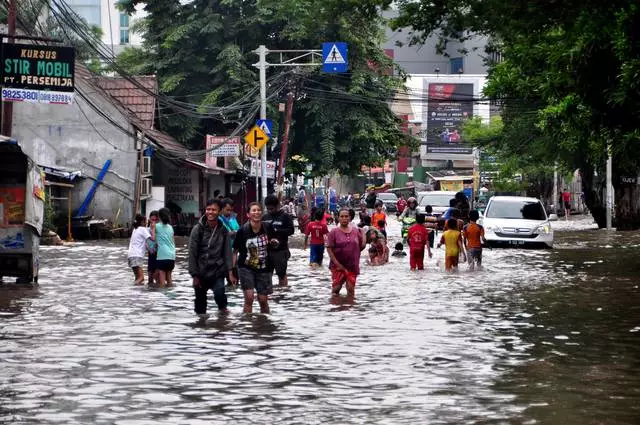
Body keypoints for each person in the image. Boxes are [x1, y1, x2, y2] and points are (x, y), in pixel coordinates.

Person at [188, 199, 236, 320]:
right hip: (200, 271)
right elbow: (192, 253)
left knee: (220, 293)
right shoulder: (197, 229)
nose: (210, 212)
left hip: (217, 270)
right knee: (200, 308)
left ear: (219, 212)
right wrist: (194, 275)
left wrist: (230, 272)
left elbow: (227, 252)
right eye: (208, 209)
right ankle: (201, 330)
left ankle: (223, 317)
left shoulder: (223, 230)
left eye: (214, 210)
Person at [233, 202, 278, 313]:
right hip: (245, 268)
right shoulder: (242, 231)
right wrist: (231, 271)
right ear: (248, 214)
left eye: (258, 210)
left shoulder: (267, 227)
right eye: (253, 210)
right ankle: (248, 326)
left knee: (263, 300)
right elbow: (235, 252)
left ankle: (265, 324)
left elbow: (276, 241)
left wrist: (275, 242)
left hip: (264, 268)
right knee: (249, 298)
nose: (256, 212)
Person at [327, 209, 367, 297]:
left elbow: (360, 246)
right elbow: (329, 249)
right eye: (342, 216)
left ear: (350, 218)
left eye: (346, 216)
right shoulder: (334, 232)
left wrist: (363, 233)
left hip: (352, 265)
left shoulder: (355, 232)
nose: (344, 219)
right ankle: (336, 306)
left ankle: (350, 308)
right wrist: (337, 264)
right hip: (338, 265)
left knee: (351, 289)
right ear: (338, 218)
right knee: (336, 289)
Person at [263, 195, 295, 287]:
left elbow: (291, 230)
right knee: (266, 275)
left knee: (281, 274)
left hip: (281, 251)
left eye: (272, 208)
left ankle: (282, 294)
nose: (270, 211)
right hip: (267, 251)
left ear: (277, 206)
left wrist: (277, 231)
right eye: (268, 209)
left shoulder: (285, 217)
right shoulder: (265, 217)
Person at [127, 213, 151, 285]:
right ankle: (131, 288)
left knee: (137, 277)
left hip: (131, 256)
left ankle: (136, 293)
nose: (146, 223)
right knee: (141, 278)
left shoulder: (135, 229)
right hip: (137, 256)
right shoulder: (142, 229)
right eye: (145, 221)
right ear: (142, 222)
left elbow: (147, 230)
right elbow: (151, 238)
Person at [155, 207, 176, 287]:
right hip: (171, 256)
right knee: (169, 279)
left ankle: (162, 298)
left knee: (162, 283)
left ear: (159, 217)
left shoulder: (156, 226)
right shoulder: (171, 227)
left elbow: (152, 238)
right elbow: (173, 241)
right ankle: (171, 295)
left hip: (162, 256)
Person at [146, 210, 159, 286]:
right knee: (150, 278)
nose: (154, 222)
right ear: (149, 220)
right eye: (152, 220)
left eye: (156, 220)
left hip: (159, 255)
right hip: (151, 255)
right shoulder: (147, 230)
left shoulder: (160, 230)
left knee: (157, 277)